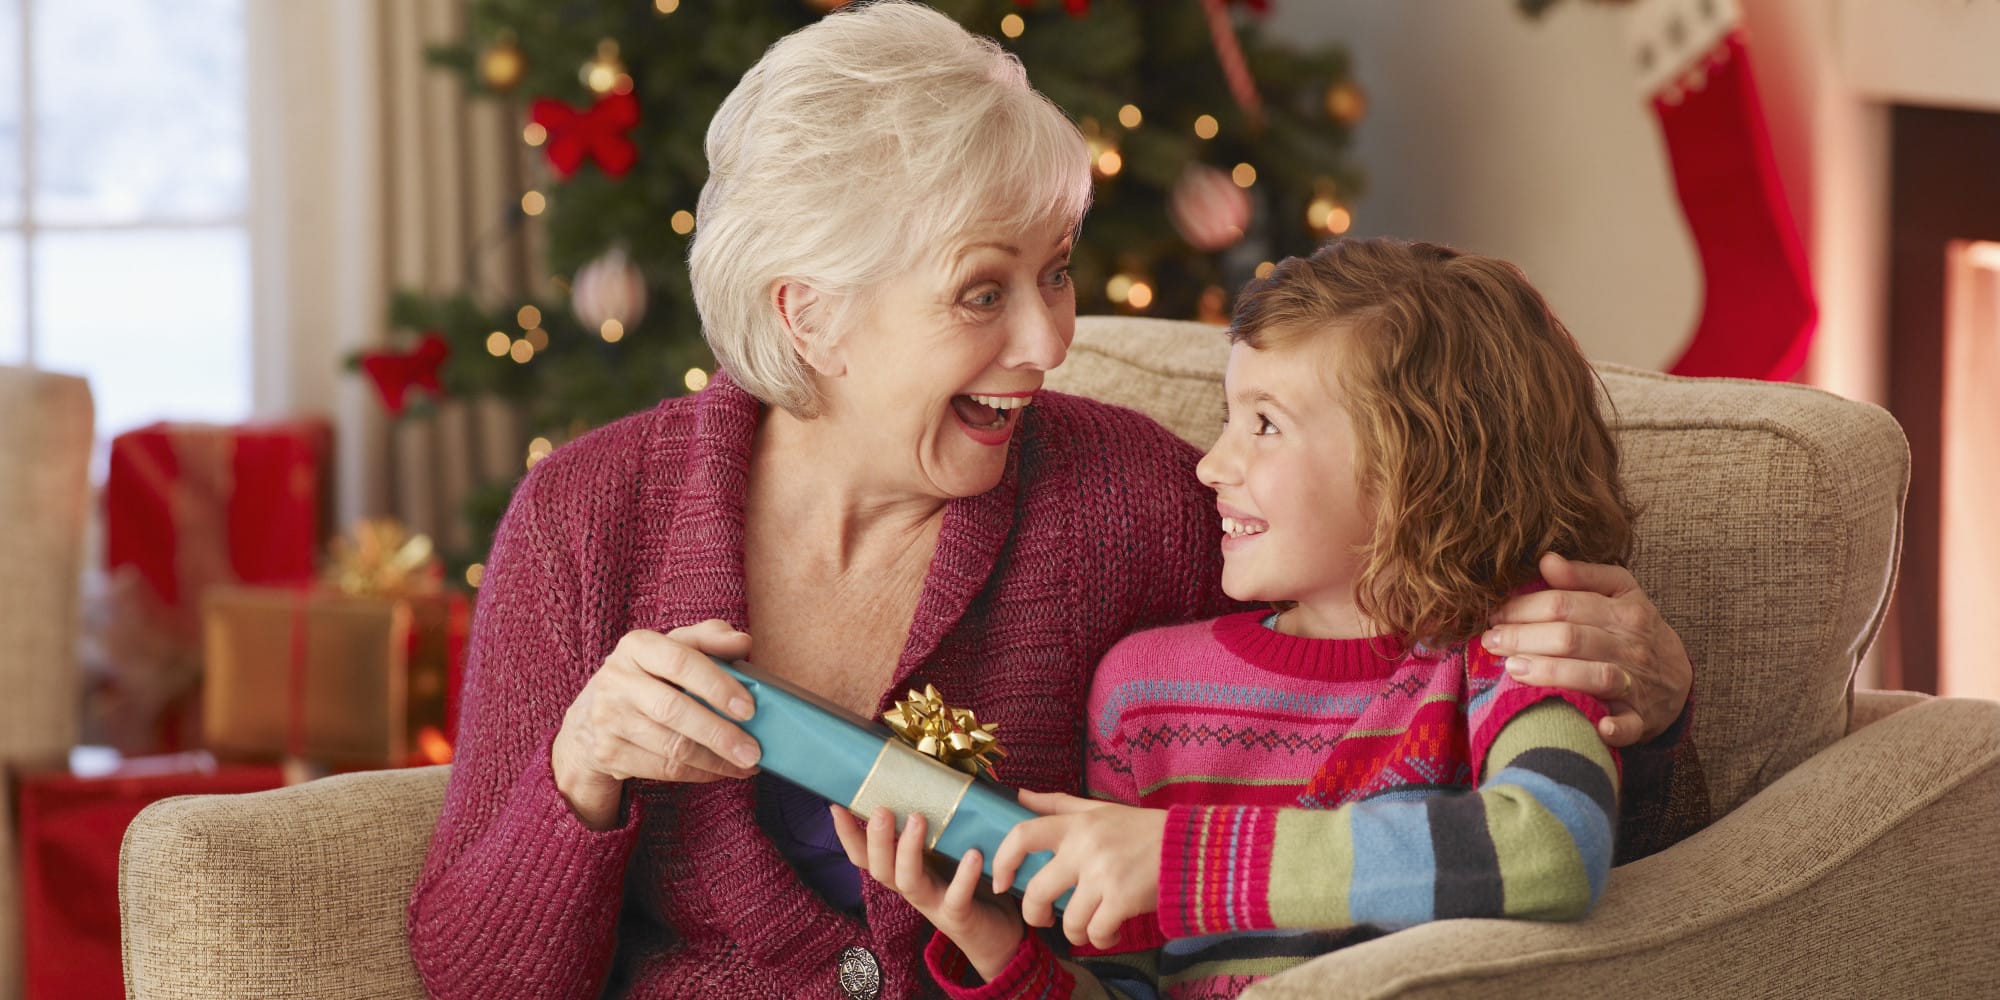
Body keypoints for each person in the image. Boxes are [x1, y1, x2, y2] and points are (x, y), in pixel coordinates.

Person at [405, 6, 1698, 999]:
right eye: (984, 292)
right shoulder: (587, 519)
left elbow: (1410, 694)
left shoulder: (1135, 501)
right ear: (813, 313)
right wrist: (579, 780)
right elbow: (472, 975)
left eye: (1059, 273)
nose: (1049, 340)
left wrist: (1645, 703)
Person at [839, 237, 1661, 999]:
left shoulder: (1525, 646)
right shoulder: (1145, 692)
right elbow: (1125, 987)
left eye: (1265, 425)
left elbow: (1551, 851)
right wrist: (991, 939)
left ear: (1423, 465)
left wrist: (1179, 860)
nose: (1213, 464)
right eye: (1230, 419)